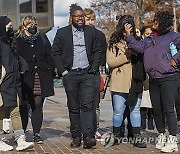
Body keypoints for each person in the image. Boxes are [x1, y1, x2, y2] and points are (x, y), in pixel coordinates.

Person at [124, 11, 180, 153]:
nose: (153, 22)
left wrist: (176, 59)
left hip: (169, 77)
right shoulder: (149, 38)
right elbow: (138, 47)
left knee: (168, 108)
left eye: (156, 20)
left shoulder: (174, 36)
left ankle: (173, 139)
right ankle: (161, 134)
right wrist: (129, 36)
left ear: (164, 22)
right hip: (153, 78)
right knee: (156, 109)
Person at [51, 4, 101, 149]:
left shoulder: (91, 32)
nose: (80, 18)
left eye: (82, 16)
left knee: (87, 106)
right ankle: (76, 137)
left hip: (87, 74)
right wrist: (63, 72)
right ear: (71, 18)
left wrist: (94, 68)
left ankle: (88, 137)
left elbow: (98, 50)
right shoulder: (62, 33)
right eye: (77, 16)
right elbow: (55, 53)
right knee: (73, 107)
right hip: (70, 74)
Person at [106, 15, 146, 148]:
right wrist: (126, 56)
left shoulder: (138, 41)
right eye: (126, 26)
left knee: (135, 110)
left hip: (135, 81)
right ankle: (116, 135)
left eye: (131, 26)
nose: (128, 29)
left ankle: (137, 136)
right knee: (118, 111)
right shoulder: (113, 43)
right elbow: (110, 62)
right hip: (119, 82)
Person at [16, 15, 55, 144]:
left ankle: (36, 133)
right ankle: (22, 131)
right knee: (24, 105)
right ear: (24, 26)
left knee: (37, 104)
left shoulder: (42, 38)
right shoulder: (18, 39)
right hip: (25, 76)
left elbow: (49, 55)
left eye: (34, 24)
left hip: (41, 74)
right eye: (30, 24)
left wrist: (50, 69)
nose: (33, 26)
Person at [0, 16, 34, 152]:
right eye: (8, 25)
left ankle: (21, 140)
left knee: (15, 112)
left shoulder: (10, 43)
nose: (10, 28)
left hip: (14, 83)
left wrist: (23, 66)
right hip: (3, 84)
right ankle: (1, 140)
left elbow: (16, 59)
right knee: (1, 112)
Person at [83, 8, 107, 141]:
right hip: (79, 73)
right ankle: (83, 129)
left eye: (92, 19)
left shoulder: (100, 35)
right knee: (81, 104)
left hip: (94, 73)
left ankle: (95, 129)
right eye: (88, 19)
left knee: (95, 105)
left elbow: (103, 56)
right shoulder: (76, 34)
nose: (90, 22)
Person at [140, 26, 154, 131]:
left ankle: (151, 122)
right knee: (143, 102)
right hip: (143, 76)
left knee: (152, 101)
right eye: (146, 34)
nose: (149, 36)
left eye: (150, 34)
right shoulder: (141, 46)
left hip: (153, 75)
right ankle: (142, 123)